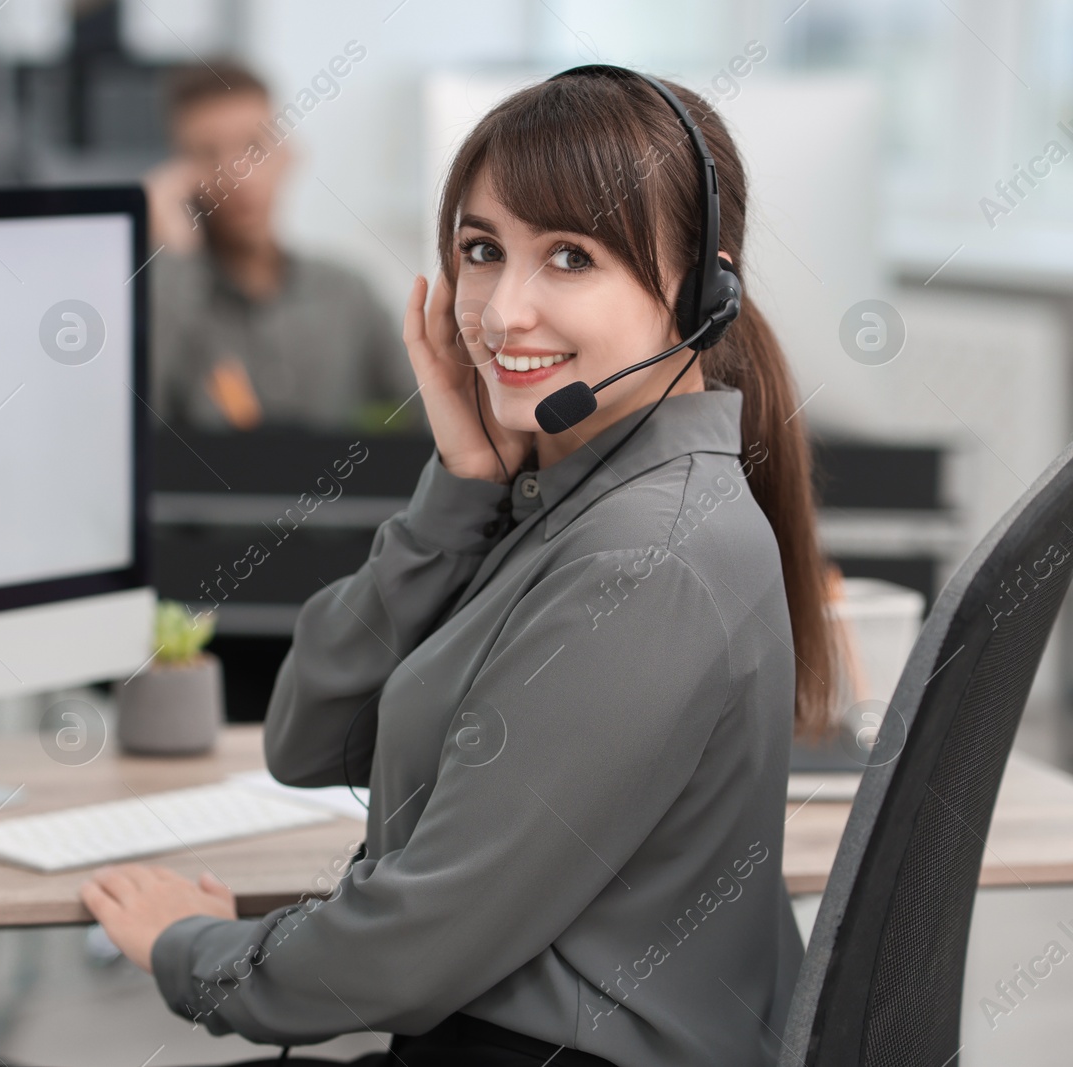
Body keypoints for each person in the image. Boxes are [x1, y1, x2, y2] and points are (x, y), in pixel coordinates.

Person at [80, 65, 838, 1066]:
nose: (501, 311)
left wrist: (193, 950)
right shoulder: (560, 498)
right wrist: (459, 481)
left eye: (570, 256)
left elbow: (416, 943)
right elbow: (307, 736)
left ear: (702, 289)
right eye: (482, 251)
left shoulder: (644, 555)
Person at [145, 62, 418, 432]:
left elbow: (431, 417)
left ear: (289, 155)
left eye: (254, 147)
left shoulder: (347, 293)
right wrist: (172, 252)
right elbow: (132, 428)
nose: (237, 173)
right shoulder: (168, 299)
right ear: (181, 175)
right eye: (207, 154)